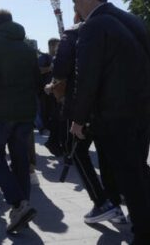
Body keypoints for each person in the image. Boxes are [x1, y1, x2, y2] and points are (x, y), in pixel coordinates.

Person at [70, 0, 150, 245]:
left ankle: (146, 235)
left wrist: (78, 118)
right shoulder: (133, 20)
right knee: (139, 172)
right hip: (143, 109)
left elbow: (87, 76)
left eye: (76, 1)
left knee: (131, 178)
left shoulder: (93, 26)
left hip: (115, 113)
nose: (75, 8)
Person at [48, 13, 125, 225]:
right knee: (106, 155)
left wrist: (54, 88)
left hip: (82, 105)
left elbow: (60, 69)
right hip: (111, 104)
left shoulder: (73, 33)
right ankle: (114, 203)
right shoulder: (117, 29)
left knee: (77, 151)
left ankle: (102, 202)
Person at [0, 10, 40, 232]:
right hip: (24, 113)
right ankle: (23, 205)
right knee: (20, 158)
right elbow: (36, 81)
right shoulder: (28, 48)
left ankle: (18, 203)